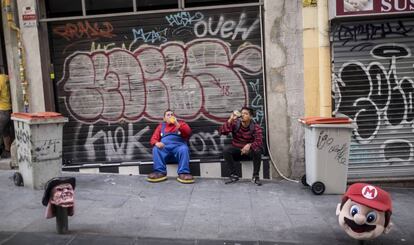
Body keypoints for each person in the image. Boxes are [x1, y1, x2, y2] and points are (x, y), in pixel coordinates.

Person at [219, 107, 263, 186]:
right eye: (242, 113)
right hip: (237, 151)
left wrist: (249, 145)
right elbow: (222, 131)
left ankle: (255, 176)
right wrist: (230, 119)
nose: (243, 115)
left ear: (251, 116)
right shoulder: (235, 123)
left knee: (257, 150)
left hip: (249, 152)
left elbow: (259, 141)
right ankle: (234, 175)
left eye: (246, 114)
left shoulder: (256, 127)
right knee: (226, 150)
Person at [147, 109, 194, 184]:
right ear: (164, 118)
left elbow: (188, 132)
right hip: (165, 149)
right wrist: (157, 143)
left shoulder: (181, 123)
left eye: (172, 114)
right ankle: (160, 172)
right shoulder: (161, 126)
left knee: (184, 148)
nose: (170, 116)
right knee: (156, 149)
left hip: (178, 148)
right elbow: (153, 139)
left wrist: (176, 124)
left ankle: (183, 173)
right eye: (168, 115)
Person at [0, 74, 12, 159]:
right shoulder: (6, 77)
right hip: (8, 108)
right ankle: (8, 151)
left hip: (2, 109)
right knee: (5, 131)